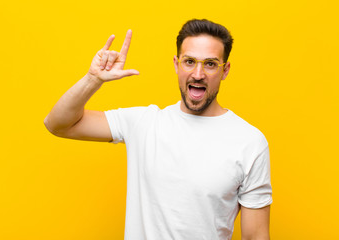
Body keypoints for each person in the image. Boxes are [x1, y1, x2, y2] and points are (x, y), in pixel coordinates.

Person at [44, 19, 272, 240]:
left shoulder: (250, 142)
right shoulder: (143, 123)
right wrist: (93, 79)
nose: (198, 74)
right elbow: (57, 124)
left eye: (210, 64)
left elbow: (255, 236)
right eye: (189, 61)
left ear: (225, 70)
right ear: (176, 64)